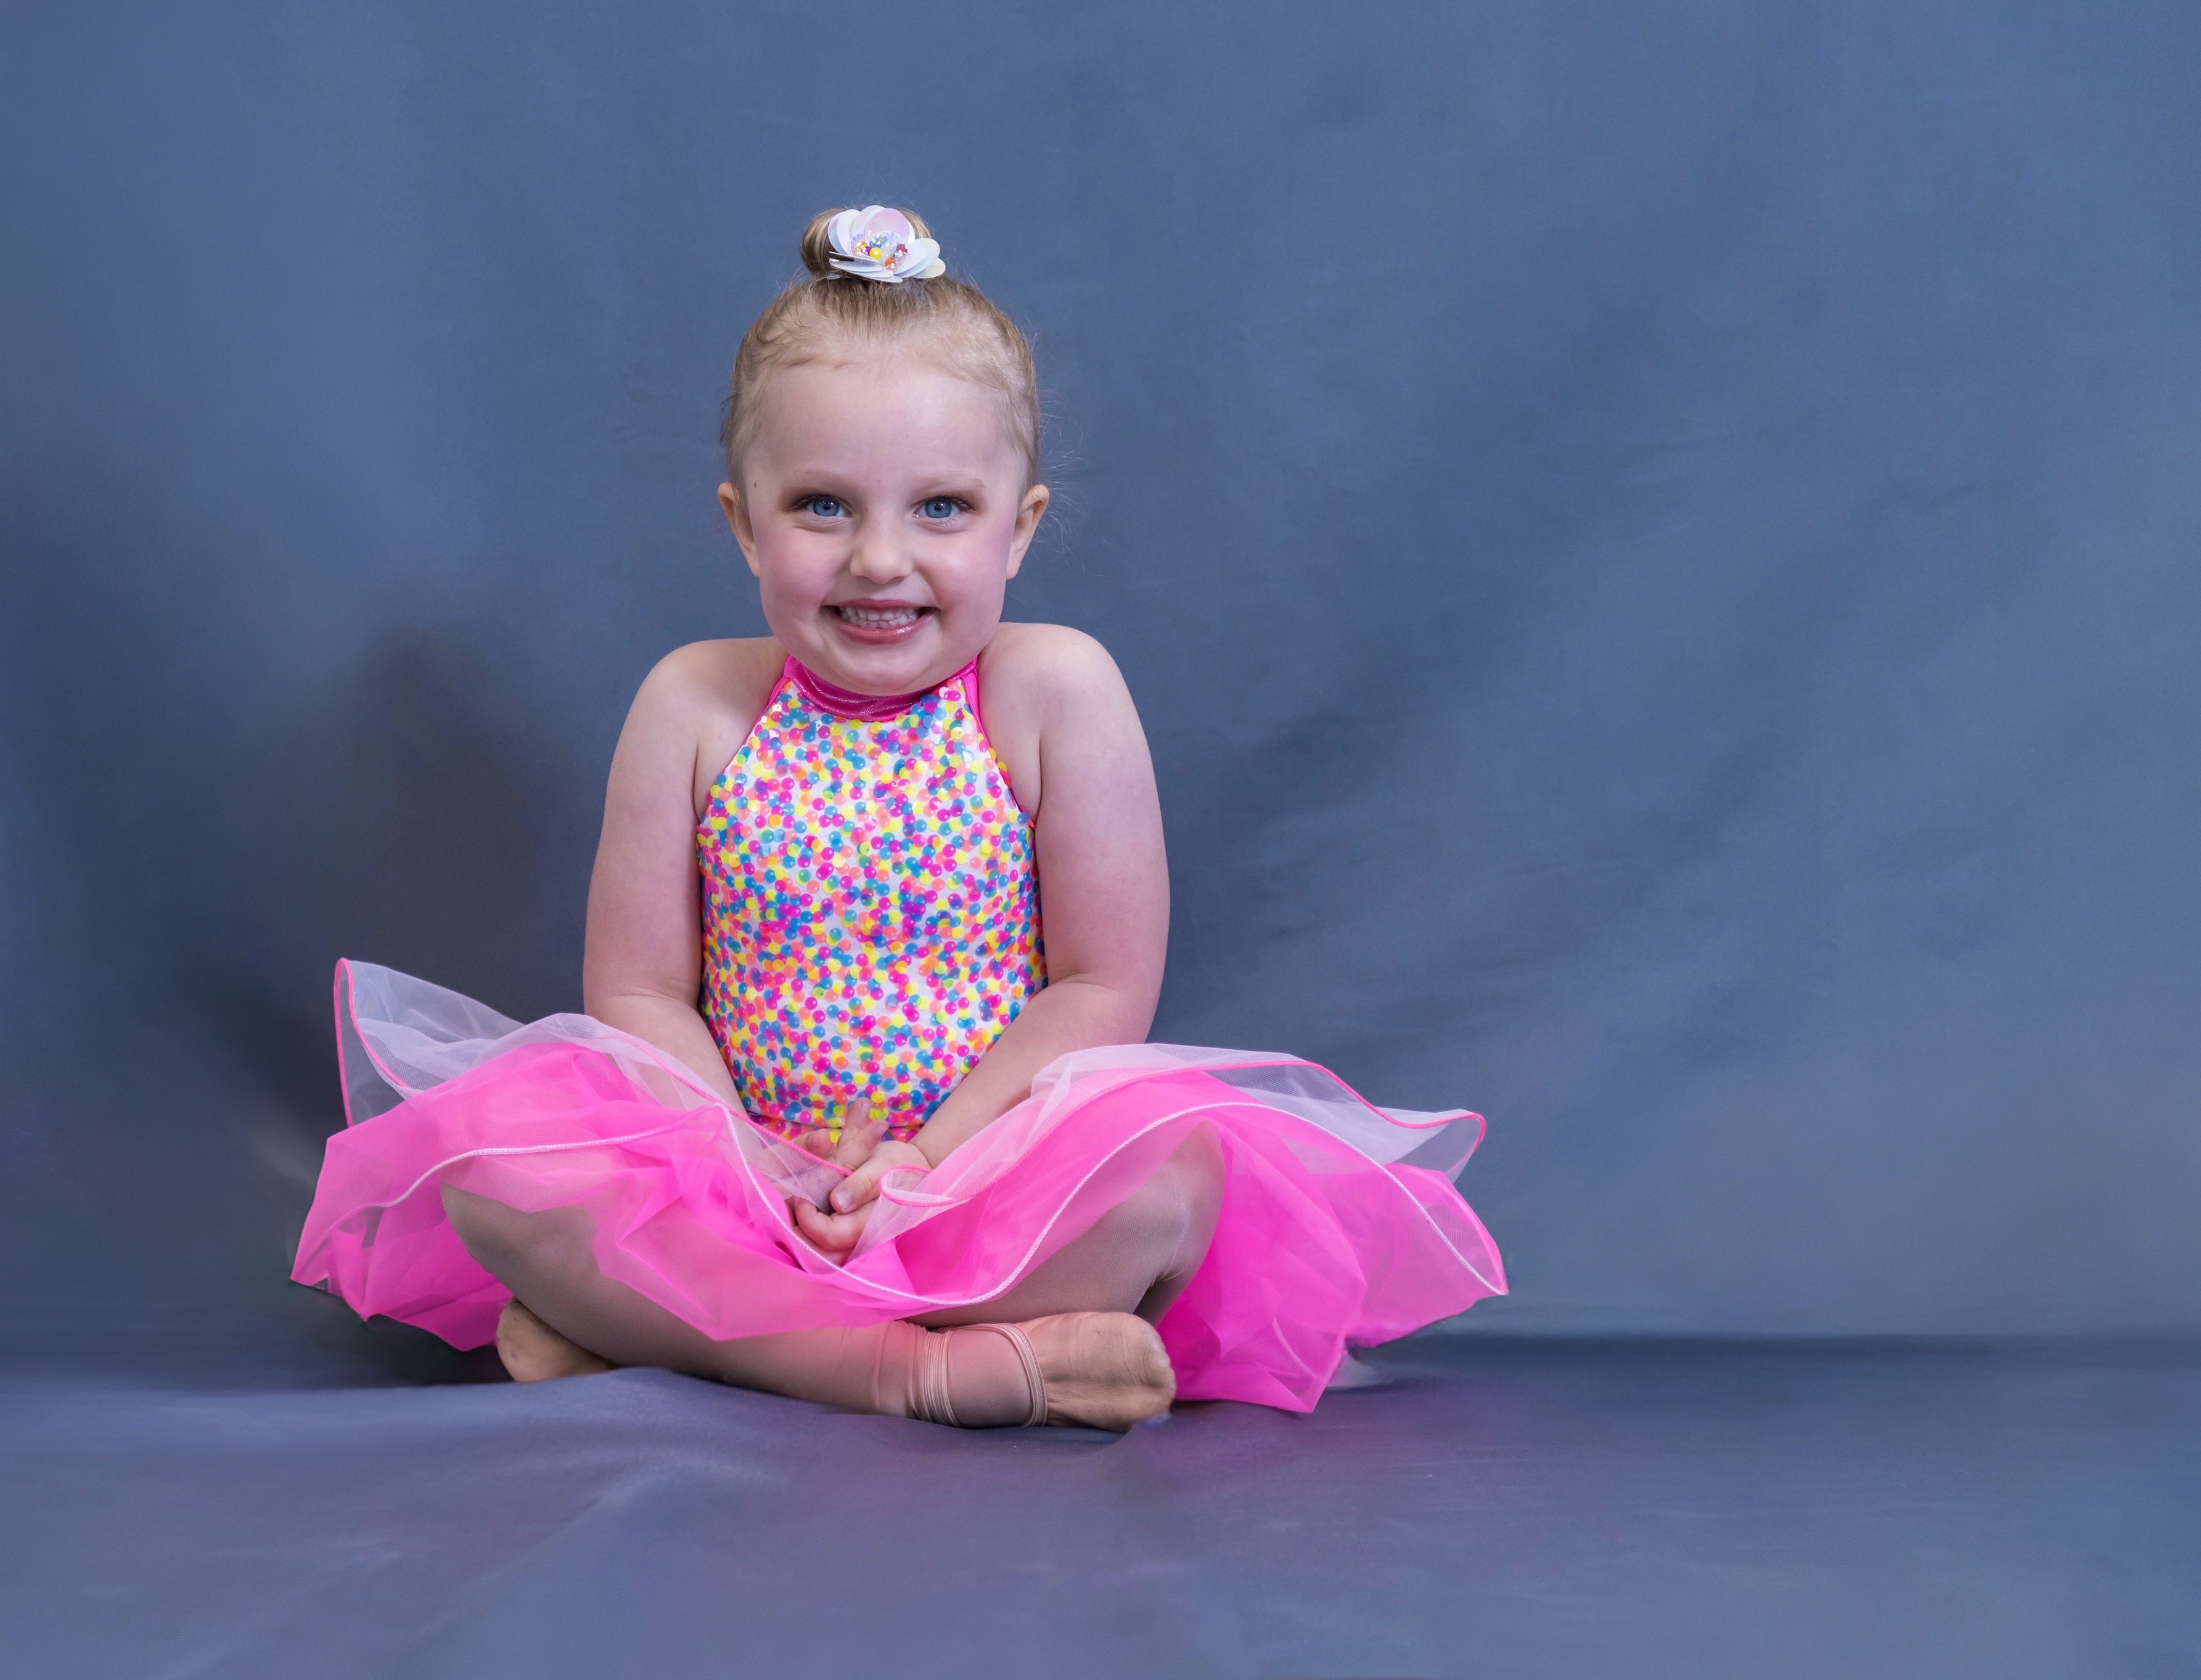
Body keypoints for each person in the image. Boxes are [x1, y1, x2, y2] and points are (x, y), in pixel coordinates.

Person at [293, 206, 1504, 1430]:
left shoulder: (1054, 693)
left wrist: (931, 1162)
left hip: (984, 1175)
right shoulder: (692, 705)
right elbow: (643, 994)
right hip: (744, 1180)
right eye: (822, 505)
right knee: (493, 1174)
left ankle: (683, 1336)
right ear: (741, 519)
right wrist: (746, 1159)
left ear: (1018, 526)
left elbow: (1099, 984)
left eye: (940, 508)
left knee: (1166, 1182)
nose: (879, 559)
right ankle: (913, 1369)